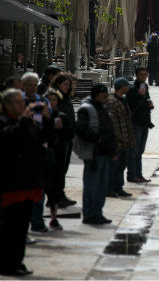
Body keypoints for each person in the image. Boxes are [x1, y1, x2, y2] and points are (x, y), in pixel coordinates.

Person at [0, 88, 48, 276]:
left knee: (21, 228)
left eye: (23, 102)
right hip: (12, 184)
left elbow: (42, 139)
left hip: (27, 182)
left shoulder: (25, 122)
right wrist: (24, 120)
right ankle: (6, 263)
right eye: (18, 102)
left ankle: (17, 261)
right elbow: (10, 138)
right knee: (10, 228)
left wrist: (46, 119)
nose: (22, 105)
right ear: (7, 105)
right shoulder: (5, 121)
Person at [74, 83, 116, 225]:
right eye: (103, 96)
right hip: (94, 154)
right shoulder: (87, 109)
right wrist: (96, 138)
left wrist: (113, 150)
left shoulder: (103, 108)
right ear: (96, 95)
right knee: (92, 185)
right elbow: (80, 129)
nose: (105, 98)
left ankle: (98, 212)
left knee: (102, 186)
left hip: (105, 153)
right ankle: (90, 214)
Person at [21, 72, 50, 234]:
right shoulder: (17, 102)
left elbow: (50, 124)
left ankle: (37, 221)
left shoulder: (43, 101)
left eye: (34, 85)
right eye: (29, 85)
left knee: (40, 186)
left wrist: (47, 117)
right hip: (22, 150)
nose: (32, 88)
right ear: (23, 86)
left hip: (39, 148)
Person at [41, 89, 67, 230]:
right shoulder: (39, 116)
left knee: (54, 188)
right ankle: (37, 219)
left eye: (54, 100)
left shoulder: (61, 116)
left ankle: (53, 218)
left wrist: (61, 129)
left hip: (57, 155)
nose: (52, 103)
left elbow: (68, 135)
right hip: (42, 156)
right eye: (49, 100)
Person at [105, 78, 135, 198]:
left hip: (125, 140)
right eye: (127, 86)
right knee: (114, 166)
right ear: (122, 87)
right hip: (118, 141)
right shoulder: (112, 102)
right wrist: (117, 140)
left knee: (122, 165)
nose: (128, 88)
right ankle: (110, 188)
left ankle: (118, 187)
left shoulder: (122, 100)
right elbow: (113, 124)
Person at [51, 73, 77, 208]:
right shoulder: (56, 99)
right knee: (58, 169)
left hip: (68, 137)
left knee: (63, 168)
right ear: (58, 84)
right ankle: (55, 197)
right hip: (59, 139)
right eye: (64, 84)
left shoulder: (66, 98)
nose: (67, 87)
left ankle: (60, 195)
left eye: (68, 84)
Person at [127, 68, 154, 181]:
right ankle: (132, 175)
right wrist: (139, 95)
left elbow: (145, 101)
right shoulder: (132, 89)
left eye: (145, 75)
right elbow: (130, 104)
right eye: (141, 75)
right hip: (135, 122)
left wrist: (149, 104)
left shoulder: (145, 87)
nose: (144, 77)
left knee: (140, 150)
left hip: (144, 123)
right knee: (134, 150)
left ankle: (139, 174)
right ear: (136, 75)